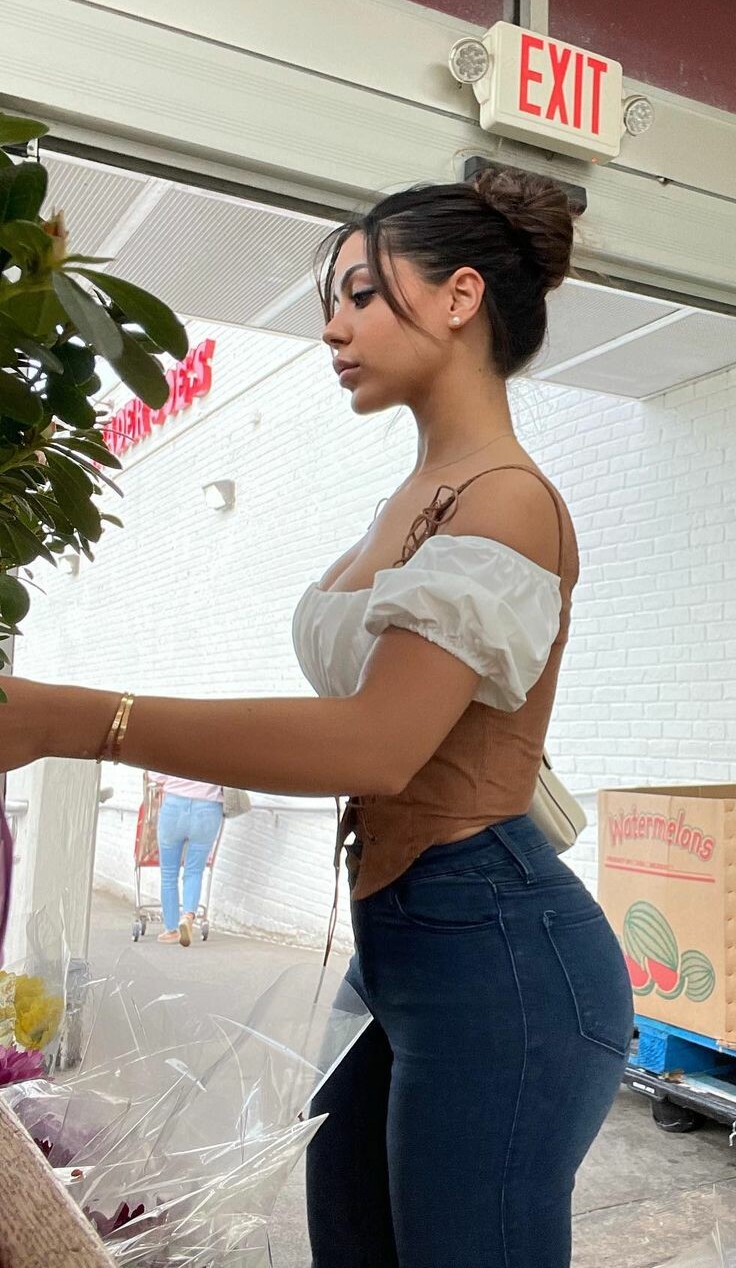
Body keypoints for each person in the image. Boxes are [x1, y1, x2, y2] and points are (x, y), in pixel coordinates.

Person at [0, 166, 634, 1268]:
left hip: (497, 947)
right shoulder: (416, 494)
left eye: (361, 294)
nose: (332, 326)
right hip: (401, 941)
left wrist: (79, 719)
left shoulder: (506, 499)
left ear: (461, 297)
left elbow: (378, 745)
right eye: (331, 302)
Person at [146, 771, 223, 945]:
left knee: (168, 874)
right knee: (194, 871)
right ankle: (188, 916)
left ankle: (171, 930)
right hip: (208, 808)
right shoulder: (221, 751)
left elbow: (155, 775)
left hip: (174, 805)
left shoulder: (176, 751)